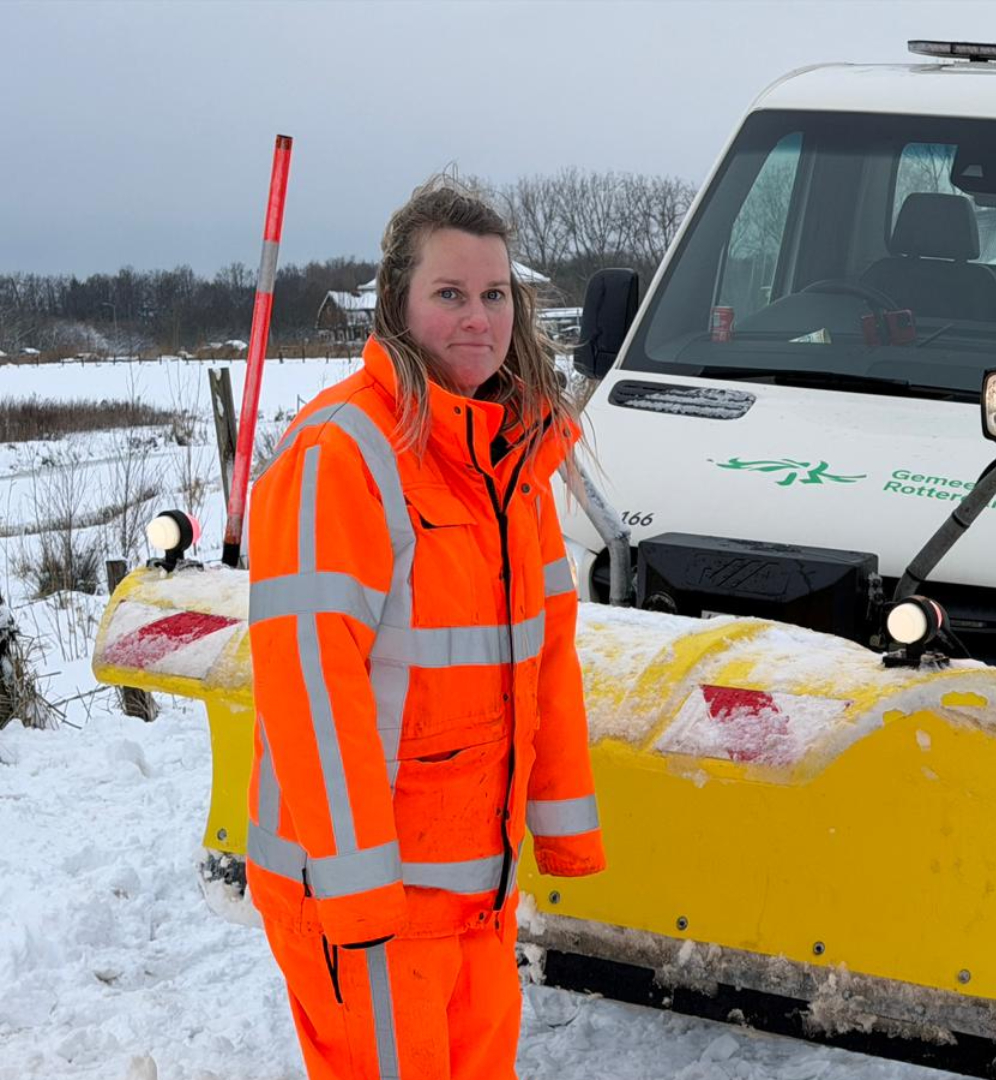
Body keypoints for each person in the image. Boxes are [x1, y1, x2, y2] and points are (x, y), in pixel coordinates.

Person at [244, 174, 605, 1079]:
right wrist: (361, 904)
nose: (477, 317)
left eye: (493, 294)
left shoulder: (510, 456)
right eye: (448, 294)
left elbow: (544, 657)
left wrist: (560, 831)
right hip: (365, 898)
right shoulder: (344, 455)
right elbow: (312, 692)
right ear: (397, 308)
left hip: (475, 893)